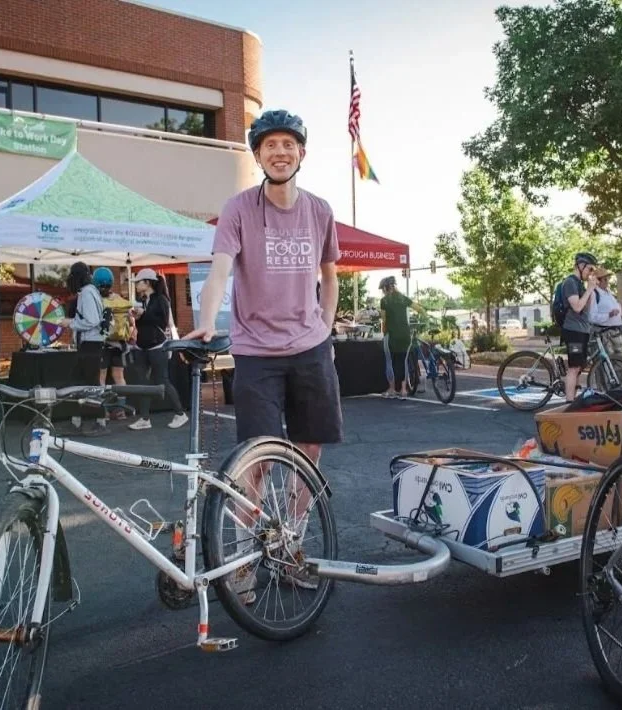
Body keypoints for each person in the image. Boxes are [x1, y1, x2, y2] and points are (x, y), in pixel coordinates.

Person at [183, 109, 342, 595]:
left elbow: (330, 274)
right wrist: (207, 322)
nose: (279, 151)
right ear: (257, 155)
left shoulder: (320, 209)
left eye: (287, 144)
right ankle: (245, 559)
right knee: (257, 459)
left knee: (309, 452)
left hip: (310, 349)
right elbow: (220, 270)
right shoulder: (238, 209)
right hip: (256, 352)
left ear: (302, 153)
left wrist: (326, 328)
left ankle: (289, 545)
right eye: (269, 144)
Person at [127, 268, 188, 430]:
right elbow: (144, 323)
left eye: (139, 282)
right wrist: (135, 316)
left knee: (162, 380)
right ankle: (145, 418)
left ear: (147, 283)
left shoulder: (161, 299)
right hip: (141, 345)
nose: (137, 285)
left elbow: (162, 322)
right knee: (143, 383)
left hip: (157, 345)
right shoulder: (143, 299)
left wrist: (143, 313)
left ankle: (180, 413)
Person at [65, 261, 110, 436]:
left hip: (90, 344)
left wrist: (71, 323)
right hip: (92, 344)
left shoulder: (86, 293)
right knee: (80, 383)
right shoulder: (92, 291)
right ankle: (77, 421)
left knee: (89, 385)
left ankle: (100, 422)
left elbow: (91, 321)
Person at [93, 267, 134, 419]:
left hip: (102, 344)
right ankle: (121, 410)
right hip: (120, 344)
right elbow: (131, 321)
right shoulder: (120, 300)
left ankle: (103, 411)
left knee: (101, 378)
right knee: (119, 376)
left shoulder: (96, 300)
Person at [561, 251, 601, 402]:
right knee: (574, 367)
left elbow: (586, 307)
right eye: (590, 269)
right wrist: (589, 289)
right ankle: (569, 402)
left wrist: (591, 290)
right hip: (573, 331)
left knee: (579, 366)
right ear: (581, 265)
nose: (591, 273)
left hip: (582, 330)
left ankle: (574, 397)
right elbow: (577, 307)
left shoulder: (580, 284)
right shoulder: (570, 282)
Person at [378, 275, 424, 399]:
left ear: (385, 288)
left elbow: (384, 320)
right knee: (403, 362)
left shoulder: (384, 301)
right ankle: (403, 390)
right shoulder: (403, 298)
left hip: (391, 335)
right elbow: (419, 308)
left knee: (390, 362)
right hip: (405, 335)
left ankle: (392, 389)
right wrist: (425, 314)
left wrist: (383, 333)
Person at [589, 266, 622, 357]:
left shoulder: (609, 293)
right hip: (604, 334)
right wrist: (608, 315)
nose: (607, 281)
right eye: (605, 279)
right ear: (598, 281)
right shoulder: (594, 294)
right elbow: (591, 317)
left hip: (615, 332)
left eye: (607, 279)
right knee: (608, 362)